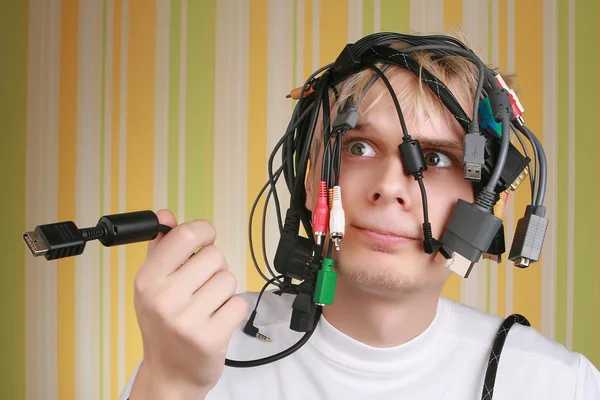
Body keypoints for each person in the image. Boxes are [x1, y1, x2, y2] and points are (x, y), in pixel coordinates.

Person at [120, 31, 600, 400]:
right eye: (359, 147)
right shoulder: (195, 349)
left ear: (489, 204)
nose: (389, 187)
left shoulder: (559, 385)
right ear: (312, 182)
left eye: (435, 159)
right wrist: (169, 383)